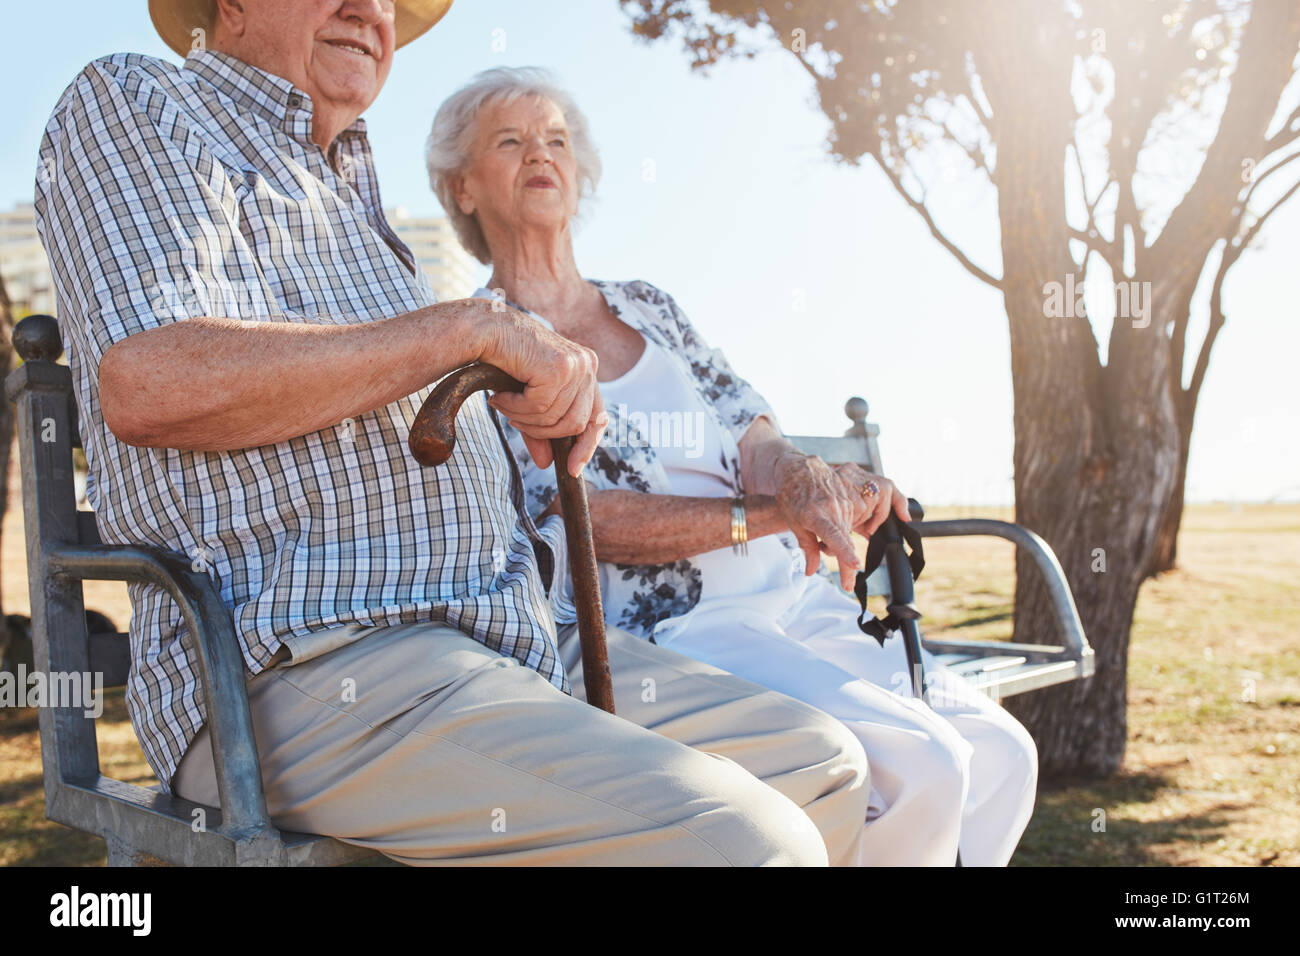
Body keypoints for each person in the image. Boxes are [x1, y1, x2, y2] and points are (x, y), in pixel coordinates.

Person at [32, 0, 873, 865]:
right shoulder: (140, 100)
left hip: (506, 636)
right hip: (308, 659)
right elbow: (151, 382)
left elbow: (409, 381)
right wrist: (463, 332)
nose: (371, 10)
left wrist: (518, 395)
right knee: (746, 845)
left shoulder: (353, 200)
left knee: (828, 768)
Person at [427, 65, 1039, 866]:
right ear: (463, 188)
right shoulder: (489, 338)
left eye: (557, 139)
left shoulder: (645, 303)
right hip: (674, 633)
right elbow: (573, 515)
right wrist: (772, 515)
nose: (541, 154)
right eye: (510, 141)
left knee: (1002, 755)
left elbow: (752, 428)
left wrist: (808, 482)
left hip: (788, 595)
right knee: (923, 767)